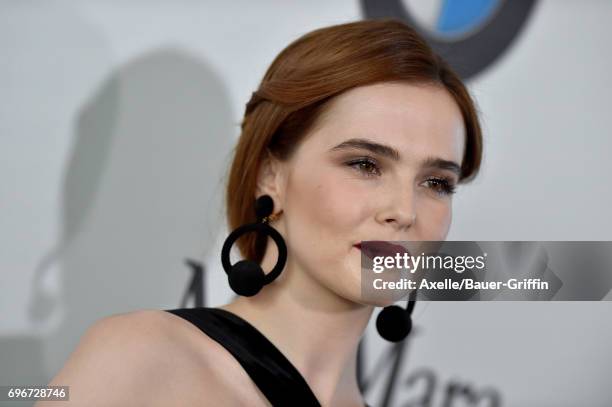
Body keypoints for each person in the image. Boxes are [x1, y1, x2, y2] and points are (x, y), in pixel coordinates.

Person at [37, 18, 483, 406]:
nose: (404, 210)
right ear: (270, 175)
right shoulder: (144, 358)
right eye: (365, 165)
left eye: (436, 183)